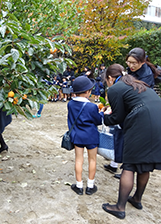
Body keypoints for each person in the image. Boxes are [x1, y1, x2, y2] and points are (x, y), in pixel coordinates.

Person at [101, 64, 161, 219]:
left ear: (110, 78)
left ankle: (119, 207)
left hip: (142, 122)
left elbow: (117, 118)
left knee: (129, 165)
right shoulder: (137, 83)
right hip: (158, 121)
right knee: (144, 164)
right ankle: (137, 199)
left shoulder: (115, 89)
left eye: (106, 80)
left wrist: (102, 117)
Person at [67, 76, 104, 195]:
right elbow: (98, 120)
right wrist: (102, 113)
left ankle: (78, 186)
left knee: (79, 160)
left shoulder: (71, 104)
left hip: (78, 135)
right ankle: (90, 186)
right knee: (92, 160)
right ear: (88, 92)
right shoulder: (92, 106)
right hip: (91, 136)